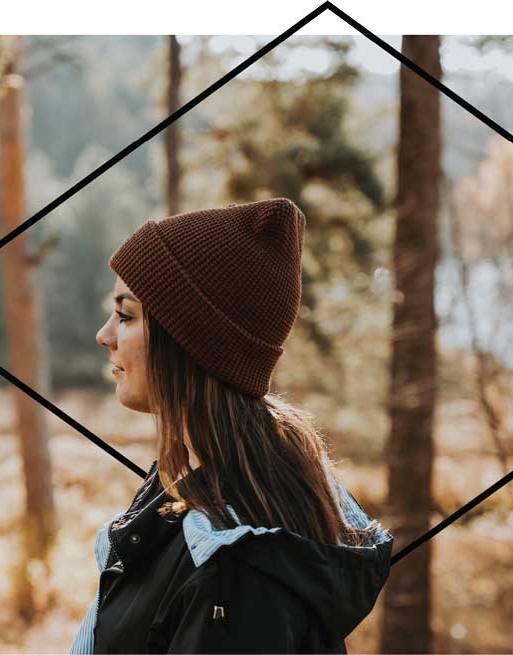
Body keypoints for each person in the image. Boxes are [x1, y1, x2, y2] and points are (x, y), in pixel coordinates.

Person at [71, 198, 393, 654]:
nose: (105, 335)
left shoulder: (236, 573)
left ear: (190, 343)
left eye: (126, 315)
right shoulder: (184, 492)